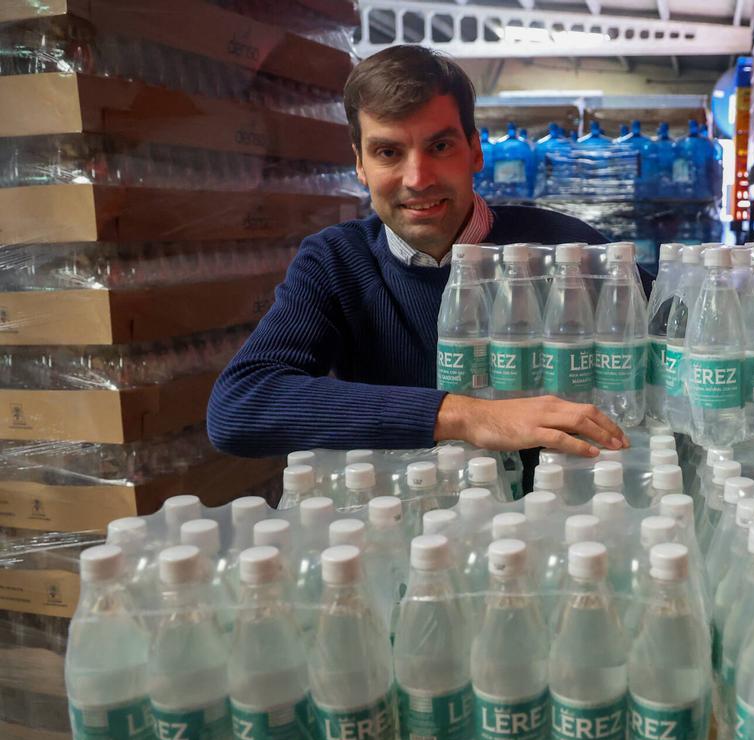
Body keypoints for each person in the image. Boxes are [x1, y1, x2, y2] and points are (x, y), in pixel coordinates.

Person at [207, 45, 634, 460]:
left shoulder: (569, 251)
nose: (418, 178)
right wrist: (465, 415)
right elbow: (240, 405)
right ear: (360, 165)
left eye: (440, 147)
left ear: (476, 151)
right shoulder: (336, 262)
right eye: (388, 152)